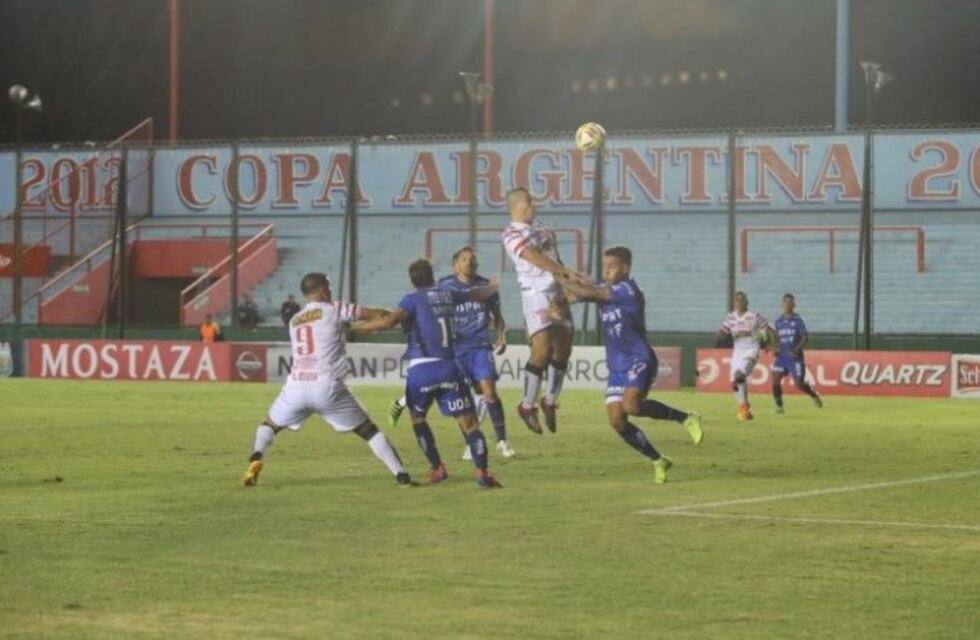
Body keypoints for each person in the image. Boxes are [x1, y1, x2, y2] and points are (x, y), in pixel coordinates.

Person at [241, 272, 414, 488]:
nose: (331, 292)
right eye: (329, 288)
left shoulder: (294, 320)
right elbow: (376, 314)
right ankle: (402, 476)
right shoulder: (334, 308)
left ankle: (257, 455)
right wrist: (394, 317)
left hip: (297, 385)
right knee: (369, 431)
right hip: (327, 386)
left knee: (270, 424)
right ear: (322, 289)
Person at [356, 258, 503, 488]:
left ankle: (437, 468)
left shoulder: (411, 300)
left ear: (412, 280)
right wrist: (492, 288)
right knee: (471, 425)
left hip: (421, 370)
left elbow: (388, 322)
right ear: (432, 275)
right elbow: (475, 294)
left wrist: (355, 328)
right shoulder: (447, 294)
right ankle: (482, 472)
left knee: (418, 419)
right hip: (448, 367)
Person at [561, 246, 703, 484]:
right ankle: (659, 460)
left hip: (638, 358)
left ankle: (685, 417)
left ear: (626, 268)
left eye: (613, 265)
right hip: (617, 366)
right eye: (605, 265)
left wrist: (555, 273)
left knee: (632, 406)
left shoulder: (628, 290)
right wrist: (557, 299)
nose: (607, 270)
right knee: (617, 421)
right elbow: (577, 294)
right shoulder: (604, 288)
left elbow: (584, 291)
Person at [388, 247, 515, 459]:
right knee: (463, 399)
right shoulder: (444, 286)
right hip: (453, 348)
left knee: (488, 390)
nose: (469, 262)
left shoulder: (485, 286)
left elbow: (498, 316)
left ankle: (502, 441)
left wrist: (501, 336)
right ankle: (469, 442)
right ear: (455, 264)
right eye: (464, 259)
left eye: (473, 259)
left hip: (479, 345)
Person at [502, 187, 588, 434]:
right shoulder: (510, 234)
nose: (534, 205)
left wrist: (571, 280)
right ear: (518, 206)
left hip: (556, 291)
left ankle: (549, 402)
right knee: (542, 347)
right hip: (535, 294)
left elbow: (554, 259)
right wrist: (567, 273)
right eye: (530, 202)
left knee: (563, 349)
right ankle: (527, 406)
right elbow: (535, 258)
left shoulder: (543, 227)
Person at [714, 291, 773, 421]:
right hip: (737, 352)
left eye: (742, 300)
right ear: (734, 303)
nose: (739, 302)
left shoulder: (754, 316)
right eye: (737, 300)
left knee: (739, 375)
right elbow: (723, 332)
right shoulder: (731, 317)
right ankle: (744, 407)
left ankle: (743, 405)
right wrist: (719, 336)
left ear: (747, 302)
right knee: (734, 382)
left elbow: (767, 329)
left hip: (752, 349)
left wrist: (769, 343)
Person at [771, 293, 823, 413]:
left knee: (799, 384)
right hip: (782, 357)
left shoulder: (798, 321)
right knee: (775, 378)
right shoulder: (778, 322)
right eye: (785, 302)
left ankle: (813, 394)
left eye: (790, 302)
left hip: (795, 358)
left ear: (794, 305)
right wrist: (775, 348)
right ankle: (779, 407)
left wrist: (797, 349)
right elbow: (777, 339)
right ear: (782, 304)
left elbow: (805, 337)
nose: (787, 305)